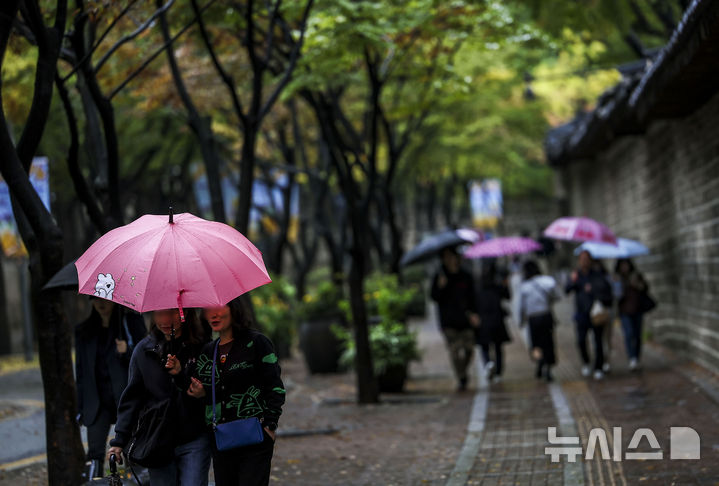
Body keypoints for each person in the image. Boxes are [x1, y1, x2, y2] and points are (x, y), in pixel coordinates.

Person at [188, 298, 285, 486]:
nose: (213, 314)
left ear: (234, 308)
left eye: (219, 306)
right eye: (207, 308)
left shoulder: (257, 342)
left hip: (255, 436)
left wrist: (270, 426)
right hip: (222, 439)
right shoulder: (208, 351)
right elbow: (201, 387)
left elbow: (275, 386)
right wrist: (184, 378)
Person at [107, 308, 211, 486]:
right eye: (158, 313)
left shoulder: (202, 347)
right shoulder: (143, 350)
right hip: (157, 438)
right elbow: (132, 398)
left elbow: (212, 389)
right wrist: (119, 441)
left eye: (171, 313)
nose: (164, 319)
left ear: (185, 312)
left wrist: (184, 377)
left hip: (194, 437)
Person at [75, 297, 146, 479]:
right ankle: (93, 482)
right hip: (97, 401)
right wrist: (80, 407)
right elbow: (81, 374)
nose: (101, 303)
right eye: (95, 298)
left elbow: (146, 360)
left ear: (114, 299)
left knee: (132, 451)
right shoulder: (84, 331)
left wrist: (127, 351)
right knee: (95, 453)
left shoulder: (129, 323)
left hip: (126, 400)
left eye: (104, 298)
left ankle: (137, 481)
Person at [430, 247, 480, 391]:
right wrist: (440, 287)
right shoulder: (439, 276)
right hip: (448, 321)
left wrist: (475, 313)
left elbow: (473, 297)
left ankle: (462, 372)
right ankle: (461, 377)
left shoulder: (465, 275)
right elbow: (434, 297)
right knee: (455, 351)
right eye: (446, 257)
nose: (450, 260)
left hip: (465, 319)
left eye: (452, 256)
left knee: (469, 349)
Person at [566, 250, 613, 380]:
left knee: (598, 341)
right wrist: (573, 281)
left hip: (595, 313)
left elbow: (606, 290)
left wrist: (592, 288)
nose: (584, 261)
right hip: (581, 313)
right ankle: (586, 363)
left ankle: (599, 367)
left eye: (586, 259)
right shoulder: (577, 275)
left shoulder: (597, 274)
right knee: (581, 340)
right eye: (582, 259)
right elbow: (567, 289)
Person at [519, 260, 560, 382]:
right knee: (548, 342)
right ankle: (547, 365)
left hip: (533, 319)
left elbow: (521, 306)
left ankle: (540, 362)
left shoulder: (525, 286)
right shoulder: (547, 282)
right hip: (546, 316)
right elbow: (557, 296)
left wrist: (521, 320)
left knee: (536, 343)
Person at [474, 261, 511, 383]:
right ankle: (498, 373)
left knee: (485, 346)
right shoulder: (496, 286)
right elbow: (508, 296)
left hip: (483, 321)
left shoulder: (478, 287)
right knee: (498, 347)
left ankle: (488, 363)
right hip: (497, 320)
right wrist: (505, 284)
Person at [615, 258, 649, 370]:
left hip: (637, 309)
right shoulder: (617, 278)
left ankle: (636, 357)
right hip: (625, 311)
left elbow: (645, 289)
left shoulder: (636, 276)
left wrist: (637, 284)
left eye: (626, 264)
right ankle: (632, 358)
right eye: (622, 265)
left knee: (637, 335)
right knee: (629, 334)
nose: (624, 267)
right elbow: (616, 295)